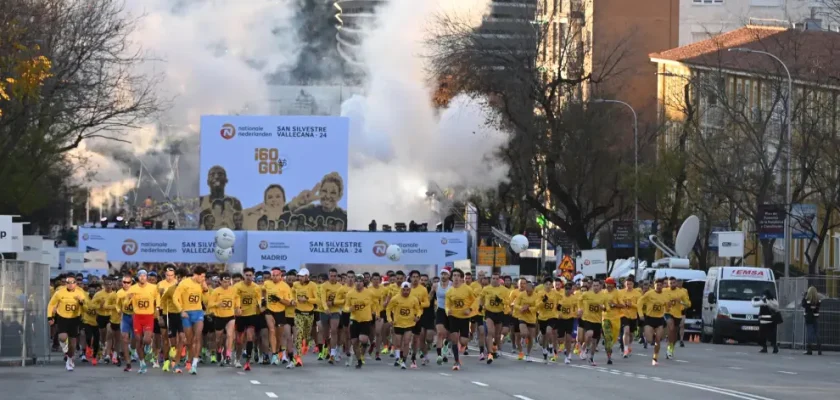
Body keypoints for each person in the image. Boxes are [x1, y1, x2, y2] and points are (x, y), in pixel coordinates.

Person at [47, 275, 89, 371]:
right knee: (62, 337)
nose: (70, 284)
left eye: (72, 282)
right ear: (65, 284)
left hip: (75, 319)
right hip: (62, 317)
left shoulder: (80, 293)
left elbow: (86, 308)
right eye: (68, 282)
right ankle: (64, 348)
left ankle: (69, 360)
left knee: (73, 344)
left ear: (76, 283)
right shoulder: (59, 293)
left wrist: (81, 303)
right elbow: (51, 304)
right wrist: (50, 317)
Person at [386, 282, 422, 369]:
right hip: (398, 324)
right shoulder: (395, 298)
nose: (406, 292)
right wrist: (390, 320)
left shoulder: (414, 299)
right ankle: (397, 358)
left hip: (409, 324)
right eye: (404, 290)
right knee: (398, 343)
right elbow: (388, 309)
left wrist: (417, 316)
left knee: (406, 342)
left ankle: (404, 360)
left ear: (410, 290)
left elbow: (419, 310)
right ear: (401, 290)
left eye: (407, 290)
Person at [752, 290, 779, 354]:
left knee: (762, 335)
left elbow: (754, 304)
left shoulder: (764, 301)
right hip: (772, 320)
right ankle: (774, 347)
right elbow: (777, 306)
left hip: (764, 321)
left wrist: (752, 300)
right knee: (772, 335)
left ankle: (764, 348)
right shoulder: (773, 300)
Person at [802, 286, 821, 355]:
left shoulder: (807, 299)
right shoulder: (818, 299)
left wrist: (805, 296)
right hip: (816, 317)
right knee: (817, 332)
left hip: (809, 317)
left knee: (809, 333)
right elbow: (818, 306)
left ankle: (809, 349)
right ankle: (819, 349)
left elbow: (803, 305)